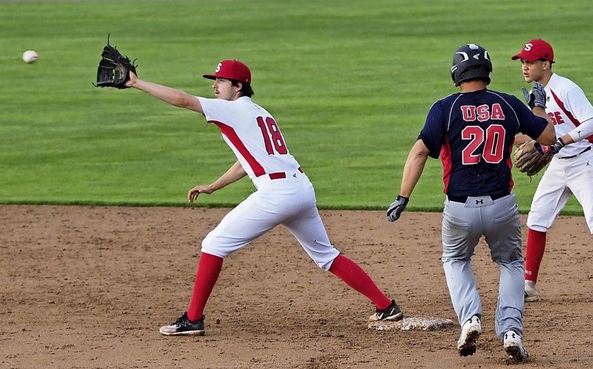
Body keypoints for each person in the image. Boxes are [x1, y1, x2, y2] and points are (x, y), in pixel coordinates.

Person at [120, 59, 403, 336]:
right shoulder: (260, 113)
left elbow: (182, 99)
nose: (215, 86)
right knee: (327, 256)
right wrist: (214, 186)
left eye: (221, 81)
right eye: (215, 80)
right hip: (301, 189)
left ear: (238, 86)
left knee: (214, 244)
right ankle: (386, 306)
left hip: (277, 194)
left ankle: (193, 319)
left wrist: (136, 83)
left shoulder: (232, 110)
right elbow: (248, 160)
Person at [386, 44, 556, 362]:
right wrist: (537, 106)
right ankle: (511, 332)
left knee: (455, 259)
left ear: (456, 73)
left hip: (459, 208)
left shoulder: (444, 108)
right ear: (487, 71)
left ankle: (470, 320)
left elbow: (420, 151)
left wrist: (402, 197)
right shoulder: (507, 103)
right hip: (501, 206)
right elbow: (547, 137)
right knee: (510, 263)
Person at [511, 38, 593, 304]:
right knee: (537, 219)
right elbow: (537, 134)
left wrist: (560, 142)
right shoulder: (537, 95)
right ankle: (529, 285)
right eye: (522, 62)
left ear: (546, 64)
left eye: (530, 62)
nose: (524, 67)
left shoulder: (565, 88)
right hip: (560, 163)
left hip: (585, 162)